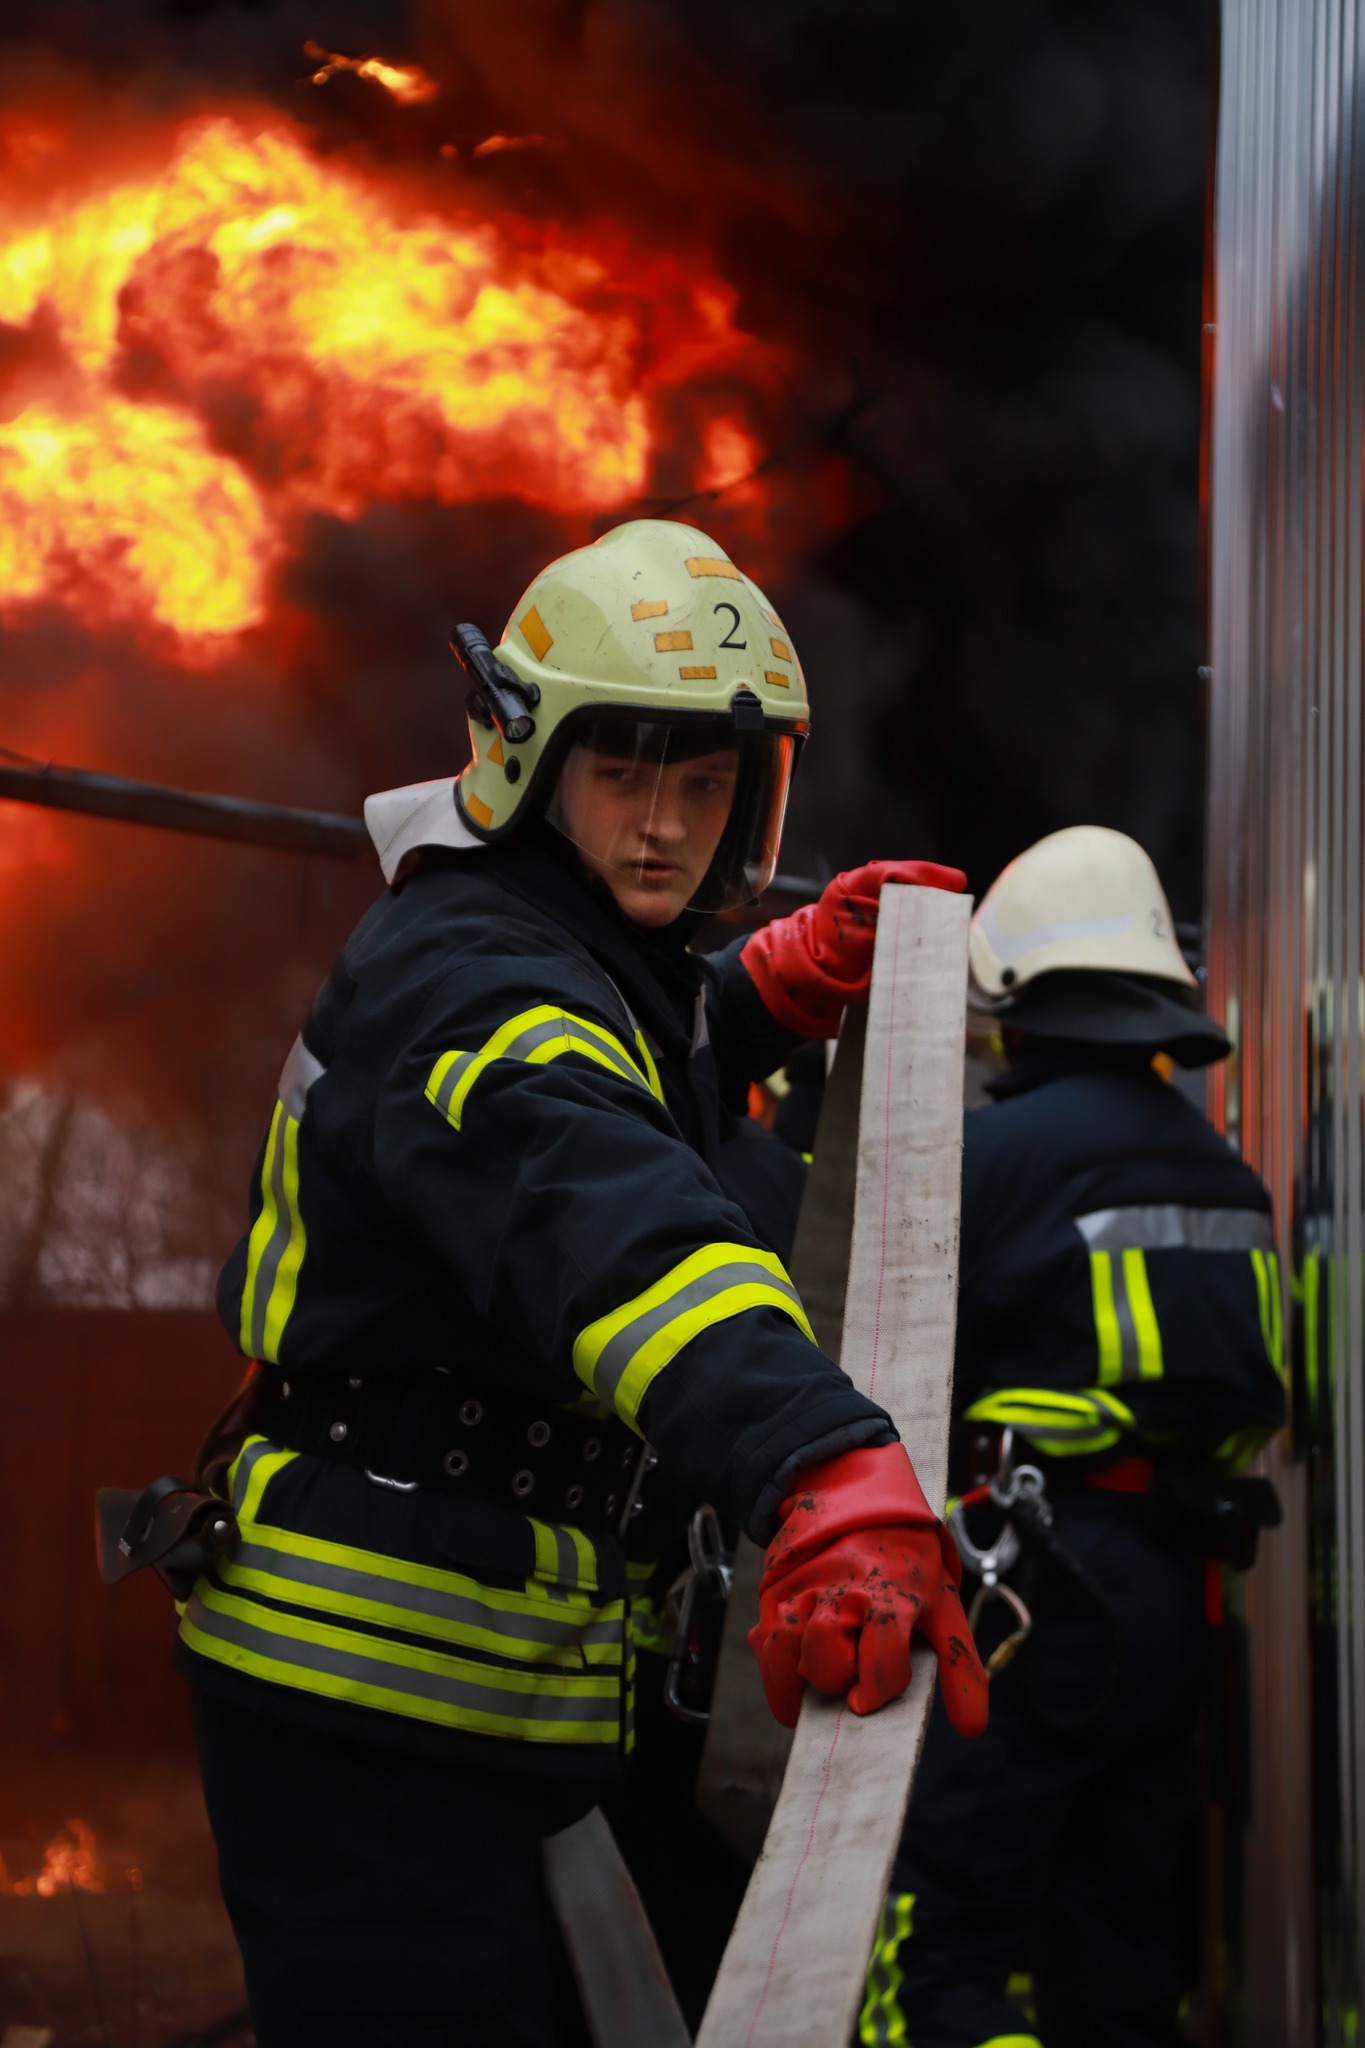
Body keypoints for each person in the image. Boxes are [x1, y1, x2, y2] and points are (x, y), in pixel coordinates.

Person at [172, 518, 988, 2046]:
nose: (666, 825)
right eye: (624, 773)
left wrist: (767, 987)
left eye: (706, 784)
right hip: (370, 1700)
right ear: (531, 763)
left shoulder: (555, 943)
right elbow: (606, 1207)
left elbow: (624, 1069)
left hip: (461, 1676)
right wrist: (821, 1464)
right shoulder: (476, 984)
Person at [859, 825, 1287, 2048]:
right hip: (1177, 1594)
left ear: (1016, 1000)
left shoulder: (988, 1159)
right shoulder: (1230, 1176)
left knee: (937, 1963)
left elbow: (887, 1370)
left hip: (1028, 1589)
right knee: (1121, 1966)